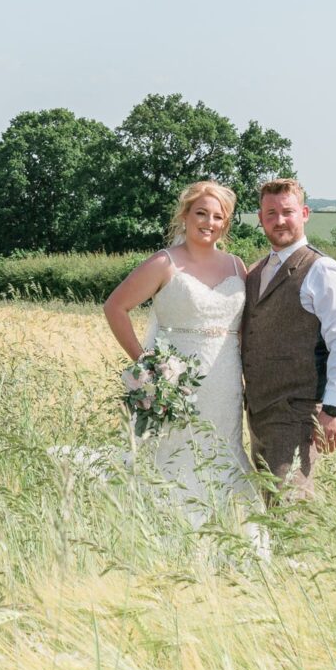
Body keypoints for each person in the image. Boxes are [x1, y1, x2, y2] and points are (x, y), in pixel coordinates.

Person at [103, 181, 262, 539]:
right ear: (186, 215)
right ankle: (172, 534)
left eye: (217, 216)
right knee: (178, 453)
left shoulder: (237, 267)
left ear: (227, 223)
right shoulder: (164, 262)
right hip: (179, 384)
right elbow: (115, 307)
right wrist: (148, 365)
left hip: (225, 382)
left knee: (225, 450)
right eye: (201, 213)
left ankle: (232, 538)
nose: (208, 222)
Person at [240, 178, 336, 503]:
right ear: (260, 218)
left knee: (289, 509)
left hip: (299, 414)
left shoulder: (322, 271)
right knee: (269, 507)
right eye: (271, 213)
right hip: (259, 417)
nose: (279, 220)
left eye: (288, 212)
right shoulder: (256, 273)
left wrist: (335, 409)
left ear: (304, 213)